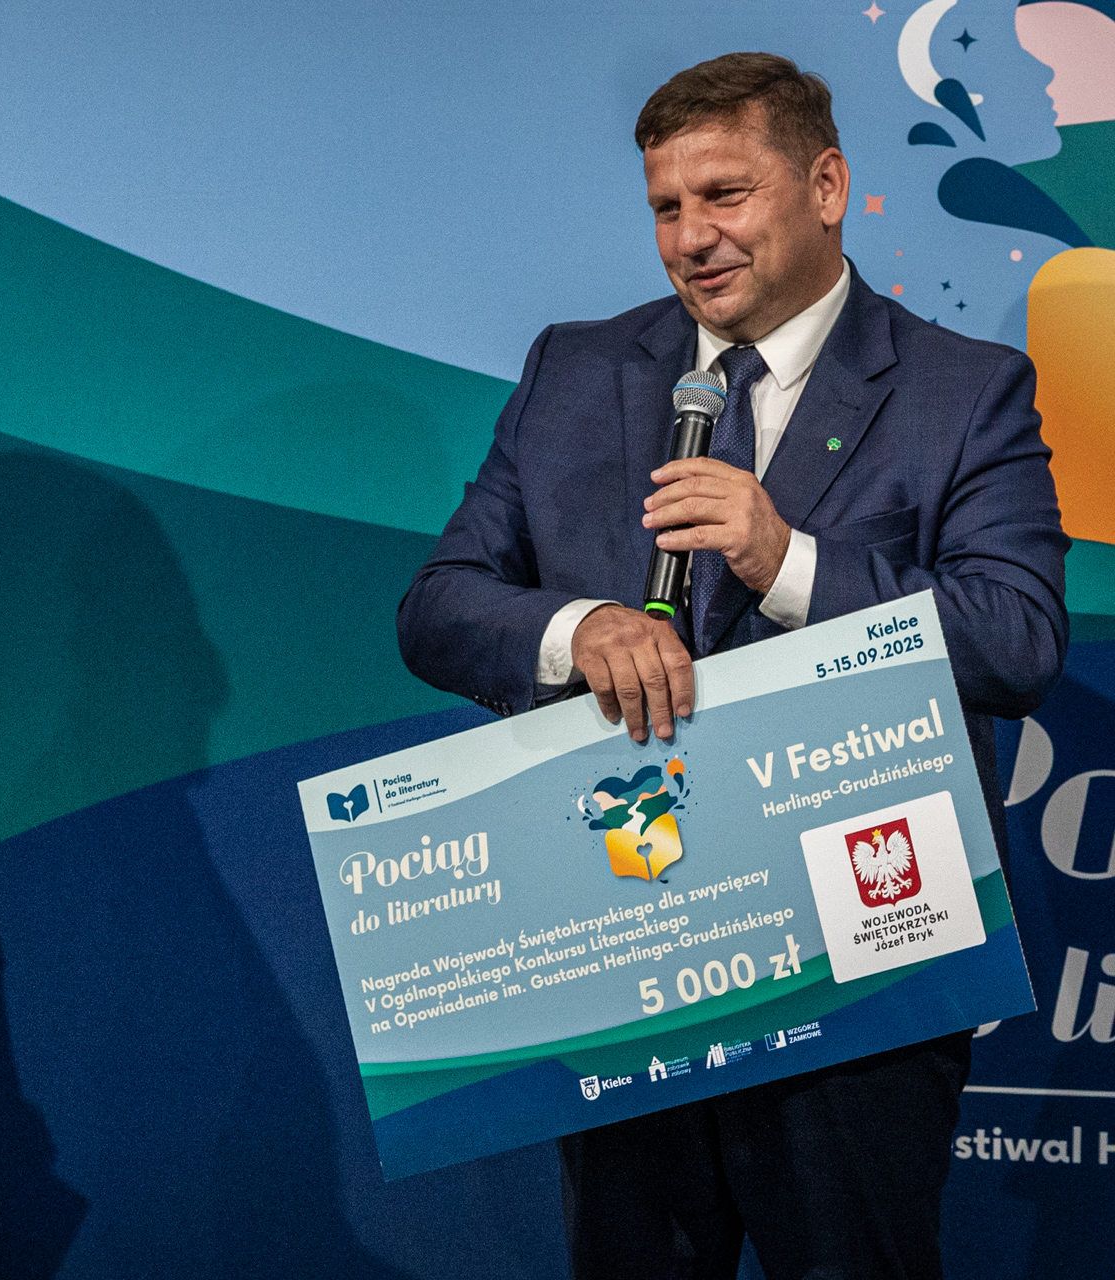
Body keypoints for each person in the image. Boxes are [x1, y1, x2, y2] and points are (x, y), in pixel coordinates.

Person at [396, 54, 1067, 1280]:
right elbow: (439, 607)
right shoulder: (574, 370)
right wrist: (577, 627)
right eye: (666, 206)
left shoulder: (965, 391)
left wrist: (786, 558)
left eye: (725, 195)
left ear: (827, 186)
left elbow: (1015, 635)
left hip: (857, 969)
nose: (692, 237)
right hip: (628, 947)